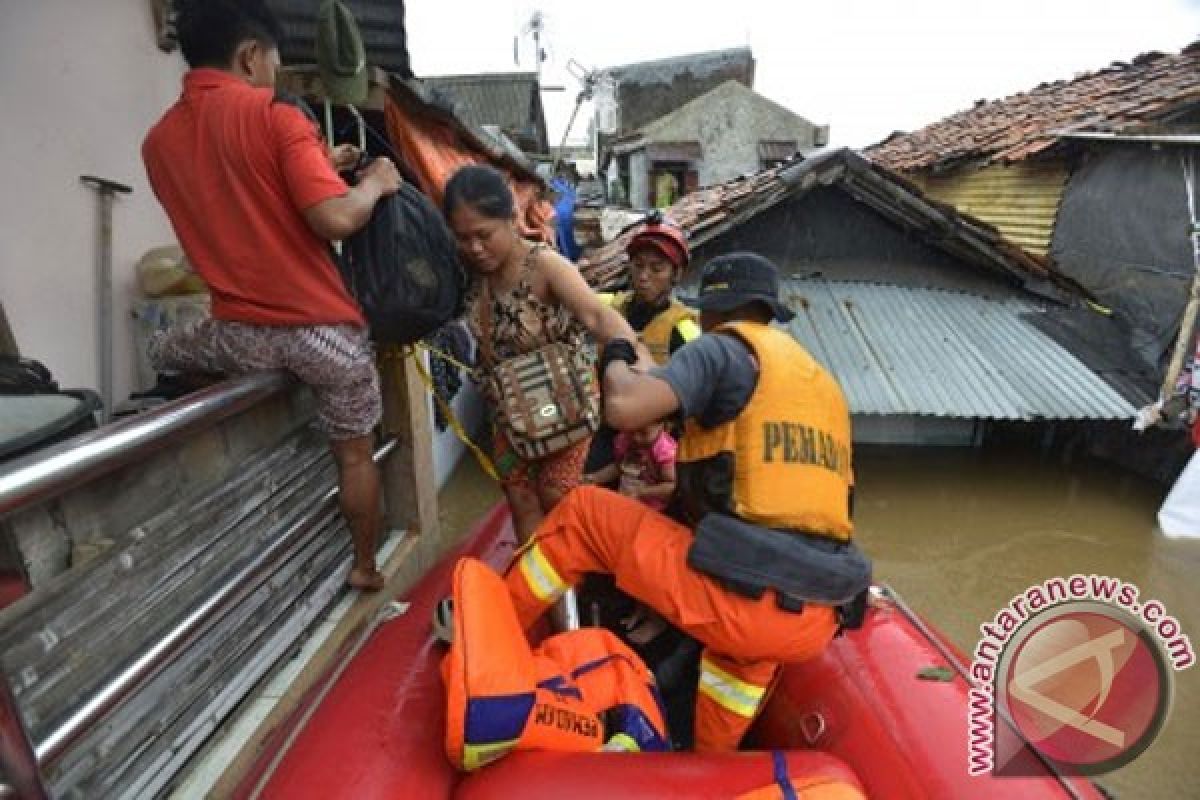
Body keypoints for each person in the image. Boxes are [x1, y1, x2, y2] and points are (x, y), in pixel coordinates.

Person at [502, 252, 872, 752]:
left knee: (584, 513)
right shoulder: (819, 385)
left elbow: (624, 407)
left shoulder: (721, 348)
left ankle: (495, 643)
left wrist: (614, 352)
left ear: (712, 313)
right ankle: (707, 764)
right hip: (812, 619)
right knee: (737, 666)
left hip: (741, 602)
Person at [142, 0, 401, 591]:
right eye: (275, 63)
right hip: (321, 337)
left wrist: (318, 161)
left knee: (163, 348)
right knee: (356, 457)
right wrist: (378, 185)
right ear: (250, 55)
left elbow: (242, 196)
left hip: (237, 338)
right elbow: (334, 218)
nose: (275, 75)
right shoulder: (276, 115)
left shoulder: (157, 143)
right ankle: (364, 567)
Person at [443, 164, 647, 542]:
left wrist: (643, 363)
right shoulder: (469, 274)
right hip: (508, 416)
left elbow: (597, 315)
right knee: (520, 500)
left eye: (484, 235)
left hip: (564, 408)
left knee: (558, 497)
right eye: (463, 238)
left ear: (510, 219)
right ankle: (542, 595)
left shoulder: (545, 265)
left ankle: (576, 590)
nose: (474, 247)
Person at [585, 216, 700, 475]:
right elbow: (574, 299)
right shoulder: (609, 306)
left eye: (657, 269)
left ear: (677, 274)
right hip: (606, 426)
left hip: (653, 439)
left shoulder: (684, 329)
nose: (643, 277)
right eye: (638, 266)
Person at [584, 419, 677, 512]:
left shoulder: (664, 450)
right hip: (625, 501)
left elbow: (672, 486)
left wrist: (642, 492)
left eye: (643, 433)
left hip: (654, 510)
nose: (636, 438)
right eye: (630, 432)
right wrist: (595, 478)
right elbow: (620, 467)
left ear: (664, 426)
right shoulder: (626, 440)